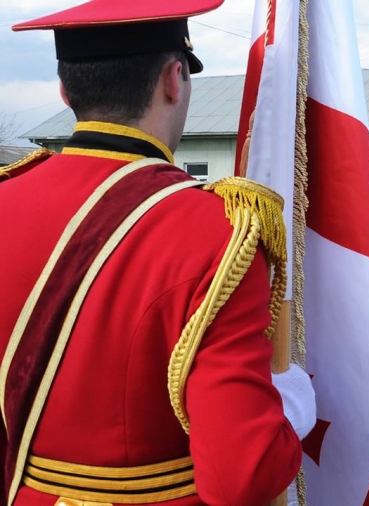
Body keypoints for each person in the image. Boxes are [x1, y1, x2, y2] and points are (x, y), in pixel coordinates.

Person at [1, 1, 315, 504]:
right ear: (174, 78)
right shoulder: (220, 231)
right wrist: (292, 406)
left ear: (65, 91)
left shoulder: (6, 197)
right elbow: (242, 477)